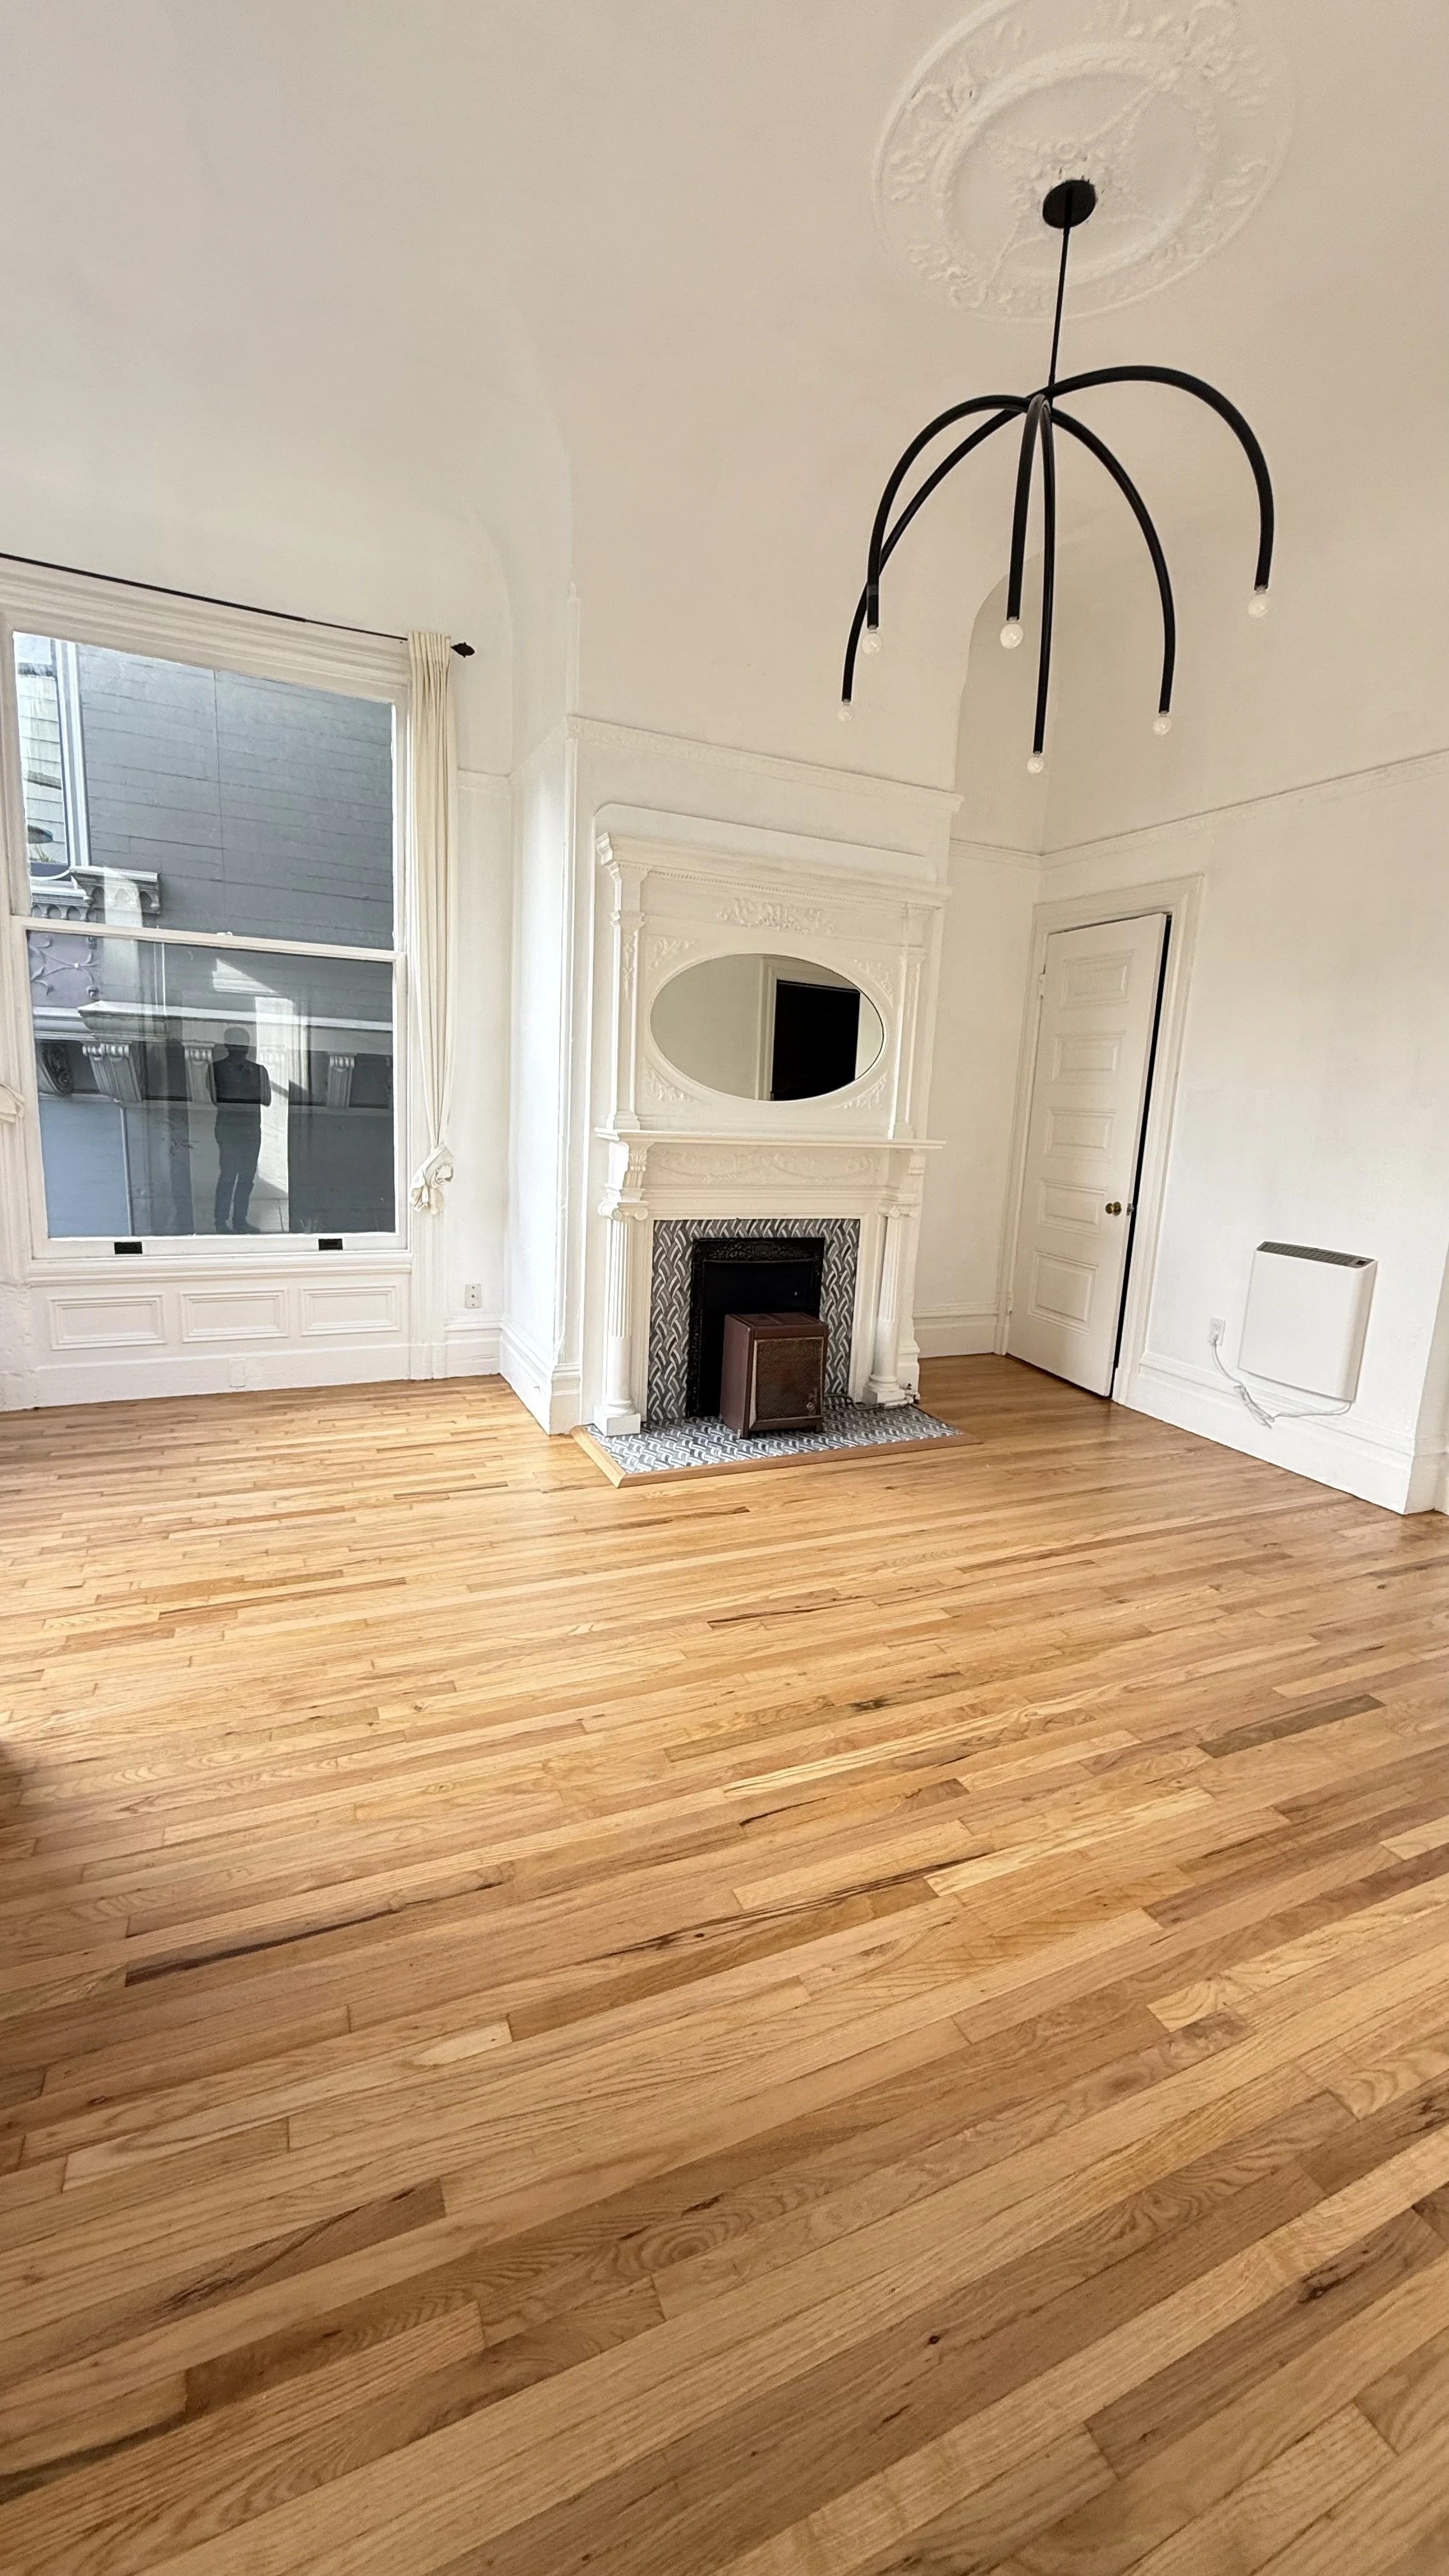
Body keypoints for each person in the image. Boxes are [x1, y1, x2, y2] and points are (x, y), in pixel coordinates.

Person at [210, 1026, 272, 1232]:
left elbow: (267, 1099)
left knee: (246, 1177)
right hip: (228, 1129)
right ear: (228, 1045)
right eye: (236, 1042)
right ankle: (220, 1222)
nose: (240, 1047)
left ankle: (240, 1221)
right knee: (228, 1175)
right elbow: (217, 1098)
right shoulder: (216, 1069)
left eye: (243, 1042)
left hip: (252, 1129)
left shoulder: (258, 1070)